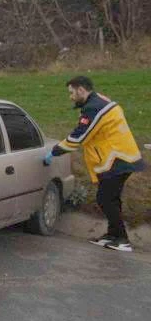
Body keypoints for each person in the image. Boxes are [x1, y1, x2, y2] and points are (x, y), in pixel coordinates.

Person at [45, 76, 145, 252]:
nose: (70, 97)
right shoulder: (99, 100)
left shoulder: (93, 108)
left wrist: (54, 151)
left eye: (71, 93)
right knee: (110, 198)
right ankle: (112, 235)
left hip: (116, 159)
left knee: (105, 199)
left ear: (81, 90)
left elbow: (78, 137)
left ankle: (122, 239)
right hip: (122, 157)